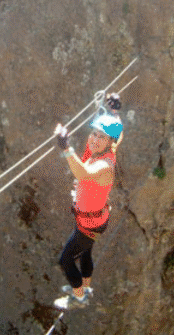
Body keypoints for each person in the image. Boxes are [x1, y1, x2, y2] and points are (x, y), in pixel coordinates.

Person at [51, 111, 123, 310]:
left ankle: (79, 297)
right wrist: (115, 112)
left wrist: (66, 148)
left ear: (110, 142)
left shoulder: (105, 165)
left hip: (89, 224)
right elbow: (119, 133)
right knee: (85, 253)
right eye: (94, 133)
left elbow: (83, 173)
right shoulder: (104, 154)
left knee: (65, 260)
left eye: (102, 137)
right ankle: (86, 287)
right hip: (95, 220)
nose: (95, 139)